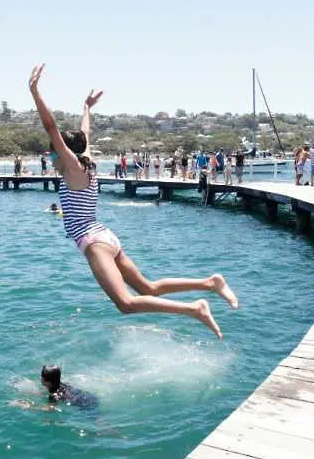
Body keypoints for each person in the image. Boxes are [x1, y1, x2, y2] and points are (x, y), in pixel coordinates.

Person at [29, 64, 237, 338]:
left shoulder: (73, 168)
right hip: (104, 235)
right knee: (147, 289)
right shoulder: (86, 161)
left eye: (53, 151)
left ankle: (195, 309)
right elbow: (85, 133)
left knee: (126, 304)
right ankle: (210, 282)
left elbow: (51, 126)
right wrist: (86, 107)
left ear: (64, 152)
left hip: (94, 242)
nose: (51, 155)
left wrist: (34, 91)